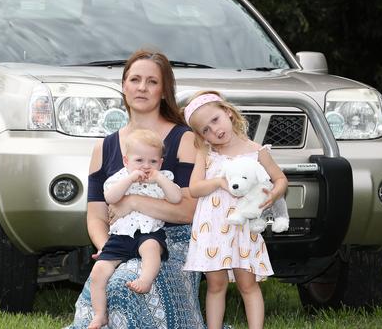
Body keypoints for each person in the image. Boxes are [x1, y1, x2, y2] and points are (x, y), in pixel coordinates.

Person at [66, 50, 205, 329]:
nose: (142, 87)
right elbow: (95, 215)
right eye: (135, 79)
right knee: (106, 280)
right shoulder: (103, 148)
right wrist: (110, 248)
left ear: (165, 91)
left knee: (121, 286)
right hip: (121, 241)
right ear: (123, 86)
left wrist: (134, 202)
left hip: (172, 243)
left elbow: (190, 210)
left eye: (152, 82)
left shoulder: (184, 139)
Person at [182, 90, 288, 329]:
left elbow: (280, 179)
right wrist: (219, 182)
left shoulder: (256, 151)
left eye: (215, 120)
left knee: (247, 283)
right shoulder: (207, 153)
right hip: (213, 229)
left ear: (228, 112)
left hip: (243, 229)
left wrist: (273, 194)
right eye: (205, 130)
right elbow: (195, 188)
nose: (214, 130)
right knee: (216, 284)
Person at [89, 129, 183, 329]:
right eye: (139, 160)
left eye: (153, 161)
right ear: (126, 161)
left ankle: (145, 280)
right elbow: (110, 198)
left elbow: (176, 198)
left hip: (149, 232)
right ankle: (99, 314)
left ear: (161, 162)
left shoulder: (163, 177)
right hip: (120, 235)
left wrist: (160, 179)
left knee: (150, 249)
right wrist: (130, 179)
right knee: (98, 272)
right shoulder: (119, 178)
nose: (146, 166)